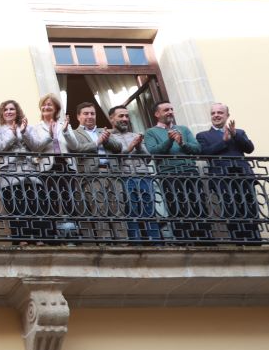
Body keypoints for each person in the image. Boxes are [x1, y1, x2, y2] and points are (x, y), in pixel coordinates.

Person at [144, 102, 209, 244]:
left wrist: (182, 144)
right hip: (169, 175)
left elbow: (197, 148)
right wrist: (169, 140)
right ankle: (184, 242)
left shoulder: (183, 129)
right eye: (166, 110)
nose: (170, 112)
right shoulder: (150, 132)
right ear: (157, 114)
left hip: (190, 173)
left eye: (171, 109)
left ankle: (205, 241)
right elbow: (154, 151)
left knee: (199, 206)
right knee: (177, 208)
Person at [197, 103, 259, 244]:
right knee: (231, 210)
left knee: (250, 209)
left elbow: (249, 148)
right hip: (222, 178)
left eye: (220, 112)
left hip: (243, 176)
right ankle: (239, 242)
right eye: (213, 113)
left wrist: (235, 135)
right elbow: (204, 153)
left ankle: (255, 241)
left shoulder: (239, 132)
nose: (216, 115)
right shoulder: (203, 135)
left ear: (227, 115)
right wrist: (224, 142)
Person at [25, 93, 79, 242]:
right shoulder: (35, 128)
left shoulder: (64, 125)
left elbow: (75, 146)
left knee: (69, 200)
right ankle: (54, 236)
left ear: (56, 108)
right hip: (48, 167)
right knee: (51, 201)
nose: (46, 107)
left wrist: (67, 131)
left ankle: (73, 237)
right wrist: (49, 135)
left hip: (66, 165)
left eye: (49, 104)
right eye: (44, 104)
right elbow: (35, 147)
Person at [0, 99, 45, 243]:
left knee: (35, 203)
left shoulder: (28, 127)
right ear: (2, 114)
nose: (9, 112)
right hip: (10, 173)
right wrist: (13, 135)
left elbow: (37, 147)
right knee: (16, 206)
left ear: (17, 112)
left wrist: (24, 132)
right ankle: (21, 238)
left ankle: (37, 237)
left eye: (12, 109)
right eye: (6, 110)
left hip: (29, 171)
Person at [106, 105, 160, 243]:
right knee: (131, 210)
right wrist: (131, 148)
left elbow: (148, 158)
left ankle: (155, 242)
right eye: (121, 116)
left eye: (127, 116)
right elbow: (113, 159)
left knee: (149, 208)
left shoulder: (135, 135)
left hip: (143, 176)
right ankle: (136, 242)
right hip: (124, 177)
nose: (125, 119)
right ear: (111, 119)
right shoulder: (108, 137)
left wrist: (139, 146)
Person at [68, 102, 121, 239]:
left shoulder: (104, 131)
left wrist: (106, 139)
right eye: (86, 113)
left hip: (112, 174)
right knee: (100, 210)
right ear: (78, 117)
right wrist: (97, 143)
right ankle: (106, 244)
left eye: (92, 113)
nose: (90, 116)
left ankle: (123, 242)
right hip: (92, 176)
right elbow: (76, 148)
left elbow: (119, 147)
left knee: (118, 210)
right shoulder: (74, 133)